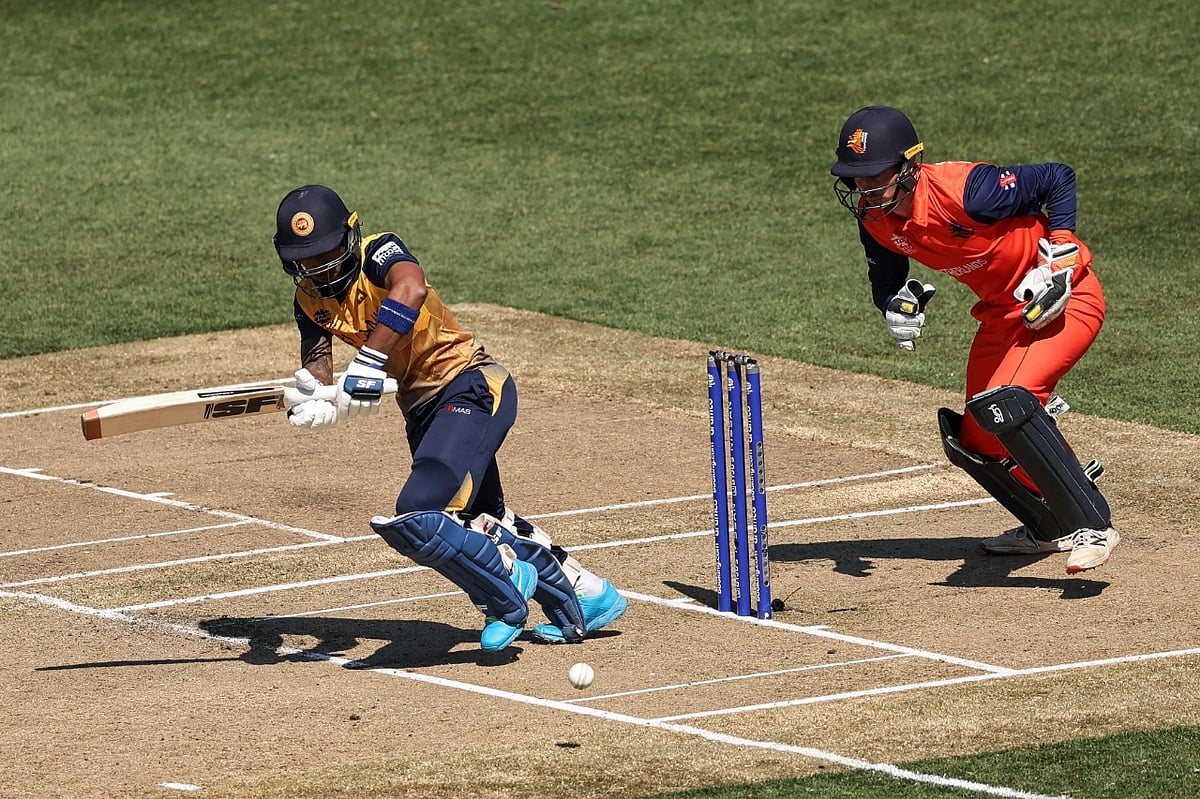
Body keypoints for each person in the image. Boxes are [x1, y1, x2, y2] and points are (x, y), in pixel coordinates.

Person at [271, 184, 627, 650]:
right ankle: (590, 594)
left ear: (351, 237)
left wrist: (369, 361)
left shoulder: (380, 253)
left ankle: (506, 590)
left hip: (470, 386)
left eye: (327, 253)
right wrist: (317, 398)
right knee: (486, 515)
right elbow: (319, 366)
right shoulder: (308, 301)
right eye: (307, 259)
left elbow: (412, 287)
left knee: (421, 511)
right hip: (421, 410)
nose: (318, 267)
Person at [829, 106, 1118, 575]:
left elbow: (1057, 178)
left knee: (1008, 404)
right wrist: (893, 306)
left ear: (908, 167)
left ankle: (1091, 523)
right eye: (855, 178)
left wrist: (1061, 247)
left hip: (1066, 300)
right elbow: (886, 277)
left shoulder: (968, 191)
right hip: (1003, 317)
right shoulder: (873, 216)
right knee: (975, 437)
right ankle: (1046, 523)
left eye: (874, 177)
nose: (864, 189)